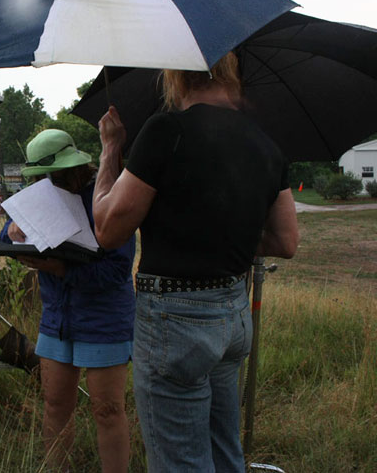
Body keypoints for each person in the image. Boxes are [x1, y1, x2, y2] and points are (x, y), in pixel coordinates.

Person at [92, 52, 299, 472]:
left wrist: (110, 150)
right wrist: (222, 228)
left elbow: (108, 228)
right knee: (224, 452)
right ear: (231, 74)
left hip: (175, 323)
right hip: (233, 318)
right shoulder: (265, 143)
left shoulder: (167, 130)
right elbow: (285, 240)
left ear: (175, 76)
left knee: (180, 462)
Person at [0, 129, 135, 473]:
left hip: (104, 320)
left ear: (78, 168)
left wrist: (61, 270)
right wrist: (12, 229)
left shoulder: (108, 197)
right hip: (57, 319)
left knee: (107, 410)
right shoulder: (42, 191)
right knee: (55, 403)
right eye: (45, 176)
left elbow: (117, 272)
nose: (51, 183)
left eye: (58, 175)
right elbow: (8, 230)